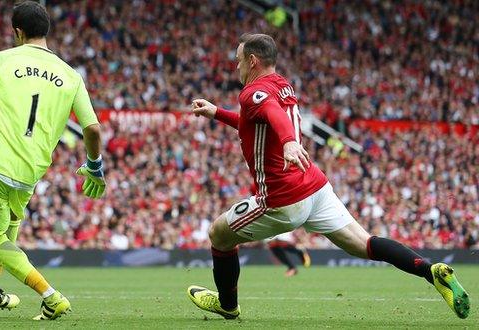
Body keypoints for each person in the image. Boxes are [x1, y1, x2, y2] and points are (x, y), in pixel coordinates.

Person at [186, 33, 470, 320]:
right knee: (365, 244)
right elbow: (256, 124)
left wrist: (288, 142)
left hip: (284, 200)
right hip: (315, 187)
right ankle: (430, 271)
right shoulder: (283, 85)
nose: (237, 68)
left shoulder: (251, 92)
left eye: (238, 61)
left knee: (219, 235)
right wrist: (217, 113)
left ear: (253, 60)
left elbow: (272, 114)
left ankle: (228, 305)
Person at [0, 1, 105, 321]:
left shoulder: (0, 60)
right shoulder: (71, 75)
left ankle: (50, 295)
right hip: (31, 169)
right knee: (8, 230)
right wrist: (94, 165)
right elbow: (92, 128)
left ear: (17, 32)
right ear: (47, 32)